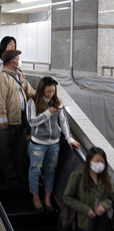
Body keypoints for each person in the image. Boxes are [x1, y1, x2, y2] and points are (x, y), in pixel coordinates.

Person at [28, 77, 80, 211]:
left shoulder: (57, 102)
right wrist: (47, 113)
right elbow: (31, 122)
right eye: (48, 91)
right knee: (35, 170)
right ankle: (35, 197)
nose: (50, 94)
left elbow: (63, 122)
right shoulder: (32, 102)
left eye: (53, 91)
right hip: (38, 143)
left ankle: (47, 198)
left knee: (50, 171)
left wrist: (69, 138)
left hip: (54, 143)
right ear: (41, 90)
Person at [0, 50, 35, 184]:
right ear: (12, 61)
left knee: (20, 149)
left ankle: (20, 174)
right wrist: (2, 117)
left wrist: (45, 95)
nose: (19, 61)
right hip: (5, 119)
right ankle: (10, 176)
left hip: (20, 117)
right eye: (18, 59)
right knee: (6, 149)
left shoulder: (18, 74)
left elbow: (29, 90)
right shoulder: (1, 76)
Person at [63, 147, 114, 231]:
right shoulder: (77, 177)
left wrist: (104, 205)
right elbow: (67, 197)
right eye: (97, 161)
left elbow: (111, 198)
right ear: (90, 161)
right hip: (84, 225)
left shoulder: (107, 180)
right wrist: (86, 210)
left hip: (101, 225)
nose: (100, 164)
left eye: (102, 162)